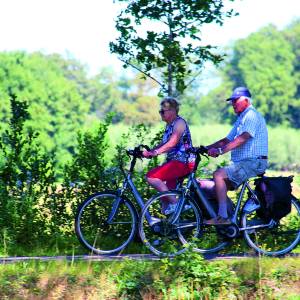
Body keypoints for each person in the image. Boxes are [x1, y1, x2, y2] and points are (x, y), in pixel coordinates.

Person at [203, 86, 268, 225]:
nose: (232, 104)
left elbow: (243, 138)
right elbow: (226, 140)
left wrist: (220, 151)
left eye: (235, 101)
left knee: (219, 175)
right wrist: (203, 148)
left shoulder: (251, 115)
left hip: (253, 162)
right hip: (243, 163)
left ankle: (223, 218)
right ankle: (231, 220)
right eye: (231, 101)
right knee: (215, 186)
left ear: (246, 100)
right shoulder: (241, 118)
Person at [142, 96, 195, 214]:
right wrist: (149, 151)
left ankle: (176, 205)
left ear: (172, 111)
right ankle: (174, 226)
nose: (160, 114)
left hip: (183, 161)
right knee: (165, 201)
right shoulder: (169, 125)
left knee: (151, 177)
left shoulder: (179, 122)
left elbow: (172, 143)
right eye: (159, 111)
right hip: (174, 162)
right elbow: (164, 144)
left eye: (162, 111)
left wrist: (154, 153)